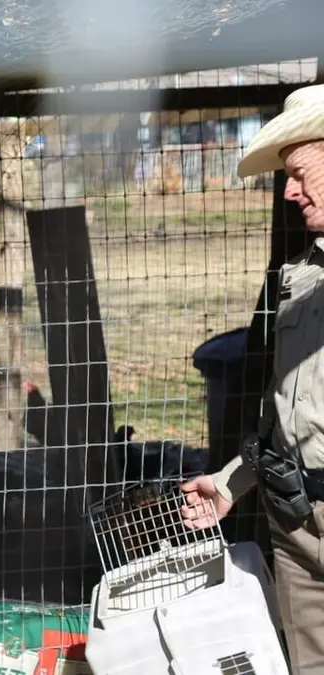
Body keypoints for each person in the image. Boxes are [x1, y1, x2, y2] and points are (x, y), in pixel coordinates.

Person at [179, 82, 324, 673]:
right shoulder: (302, 278)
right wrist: (234, 481)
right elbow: (289, 405)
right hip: (294, 518)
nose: (288, 191)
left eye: (300, 173)